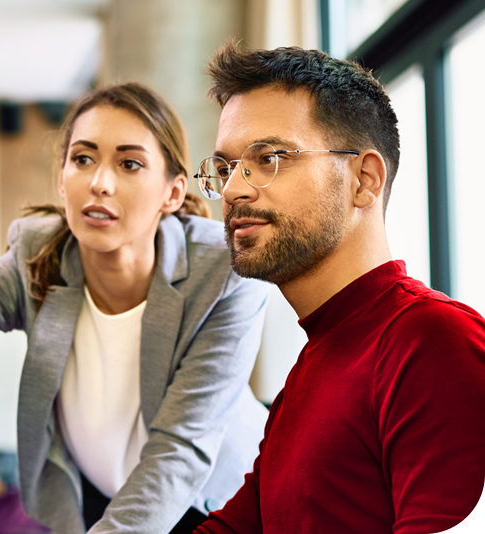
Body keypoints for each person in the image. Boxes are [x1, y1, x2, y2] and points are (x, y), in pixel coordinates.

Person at [0, 82, 271, 534]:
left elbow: (180, 450)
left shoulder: (222, 272)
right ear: (62, 178)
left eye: (130, 164)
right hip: (97, 499)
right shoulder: (39, 252)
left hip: (217, 506)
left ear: (173, 192)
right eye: (83, 159)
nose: (99, 182)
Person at [192, 42, 485, 534]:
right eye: (225, 167)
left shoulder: (433, 344)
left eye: (268, 158)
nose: (233, 189)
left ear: (364, 180)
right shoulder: (309, 371)